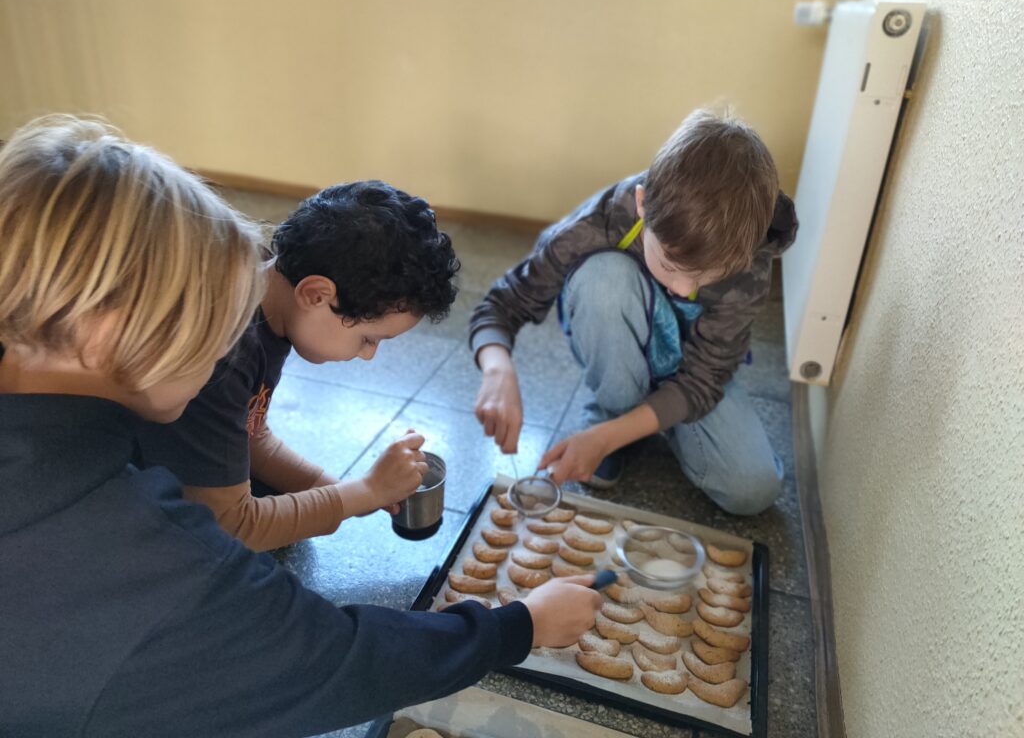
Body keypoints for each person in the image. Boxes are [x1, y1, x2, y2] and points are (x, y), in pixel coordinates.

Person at [0, 116, 601, 737]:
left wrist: (340, 493)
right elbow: (324, 657)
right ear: (108, 327)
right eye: (210, 325)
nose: (225, 346)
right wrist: (512, 628)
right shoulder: (136, 542)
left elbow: (249, 434)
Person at [471, 108, 799, 516]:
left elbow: (703, 379)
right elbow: (504, 302)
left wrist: (607, 438)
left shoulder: (748, 255)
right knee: (602, 278)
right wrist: (497, 370)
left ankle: (631, 423)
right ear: (643, 205)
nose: (684, 288)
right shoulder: (605, 218)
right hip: (621, 346)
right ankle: (616, 409)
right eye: (671, 265)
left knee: (753, 490)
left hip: (692, 372)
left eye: (706, 277)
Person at [137, 181, 457, 551]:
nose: (368, 355)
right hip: (120, 493)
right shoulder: (225, 348)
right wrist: (364, 492)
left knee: (290, 512)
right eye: (369, 338)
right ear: (316, 294)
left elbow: (251, 435)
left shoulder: (273, 298)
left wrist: (349, 493)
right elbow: (229, 526)